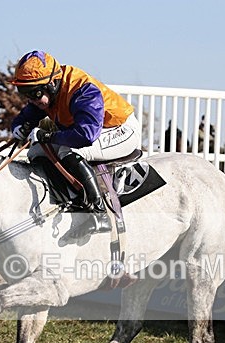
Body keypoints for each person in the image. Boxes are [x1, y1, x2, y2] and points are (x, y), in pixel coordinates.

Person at [9, 50, 141, 236]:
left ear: (52, 84)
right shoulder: (48, 92)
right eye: (25, 94)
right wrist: (18, 127)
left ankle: (98, 213)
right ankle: (67, 200)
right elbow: (26, 115)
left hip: (121, 130)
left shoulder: (82, 90)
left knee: (70, 151)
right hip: (93, 131)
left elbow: (86, 136)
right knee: (35, 152)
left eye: (35, 93)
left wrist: (47, 136)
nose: (31, 100)